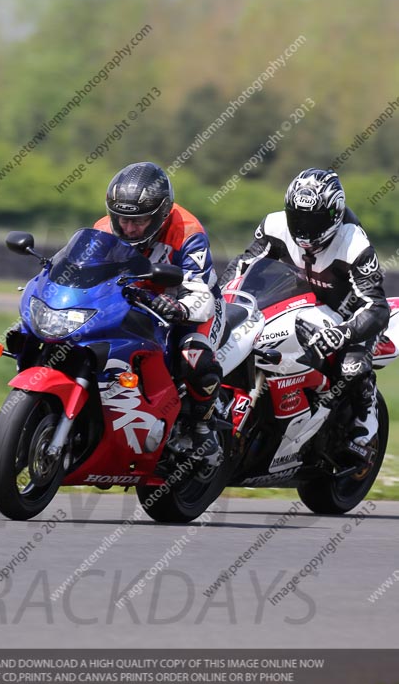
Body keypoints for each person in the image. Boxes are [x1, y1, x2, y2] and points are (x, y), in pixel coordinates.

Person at [219, 167, 390, 465]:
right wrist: (220, 297)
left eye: (314, 220)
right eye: (298, 217)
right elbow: (244, 263)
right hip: (296, 301)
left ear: (334, 216)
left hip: (348, 315)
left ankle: (366, 423)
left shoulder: (354, 245)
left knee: (351, 366)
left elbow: (376, 308)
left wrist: (344, 333)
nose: (304, 227)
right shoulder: (274, 225)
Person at [94, 161, 226, 463]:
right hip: (136, 299)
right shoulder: (105, 229)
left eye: (138, 221)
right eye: (121, 219)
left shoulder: (188, 232)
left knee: (195, 358)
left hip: (191, 303)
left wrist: (178, 308)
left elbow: (200, 293)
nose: (127, 228)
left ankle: (202, 428)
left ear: (161, 215)